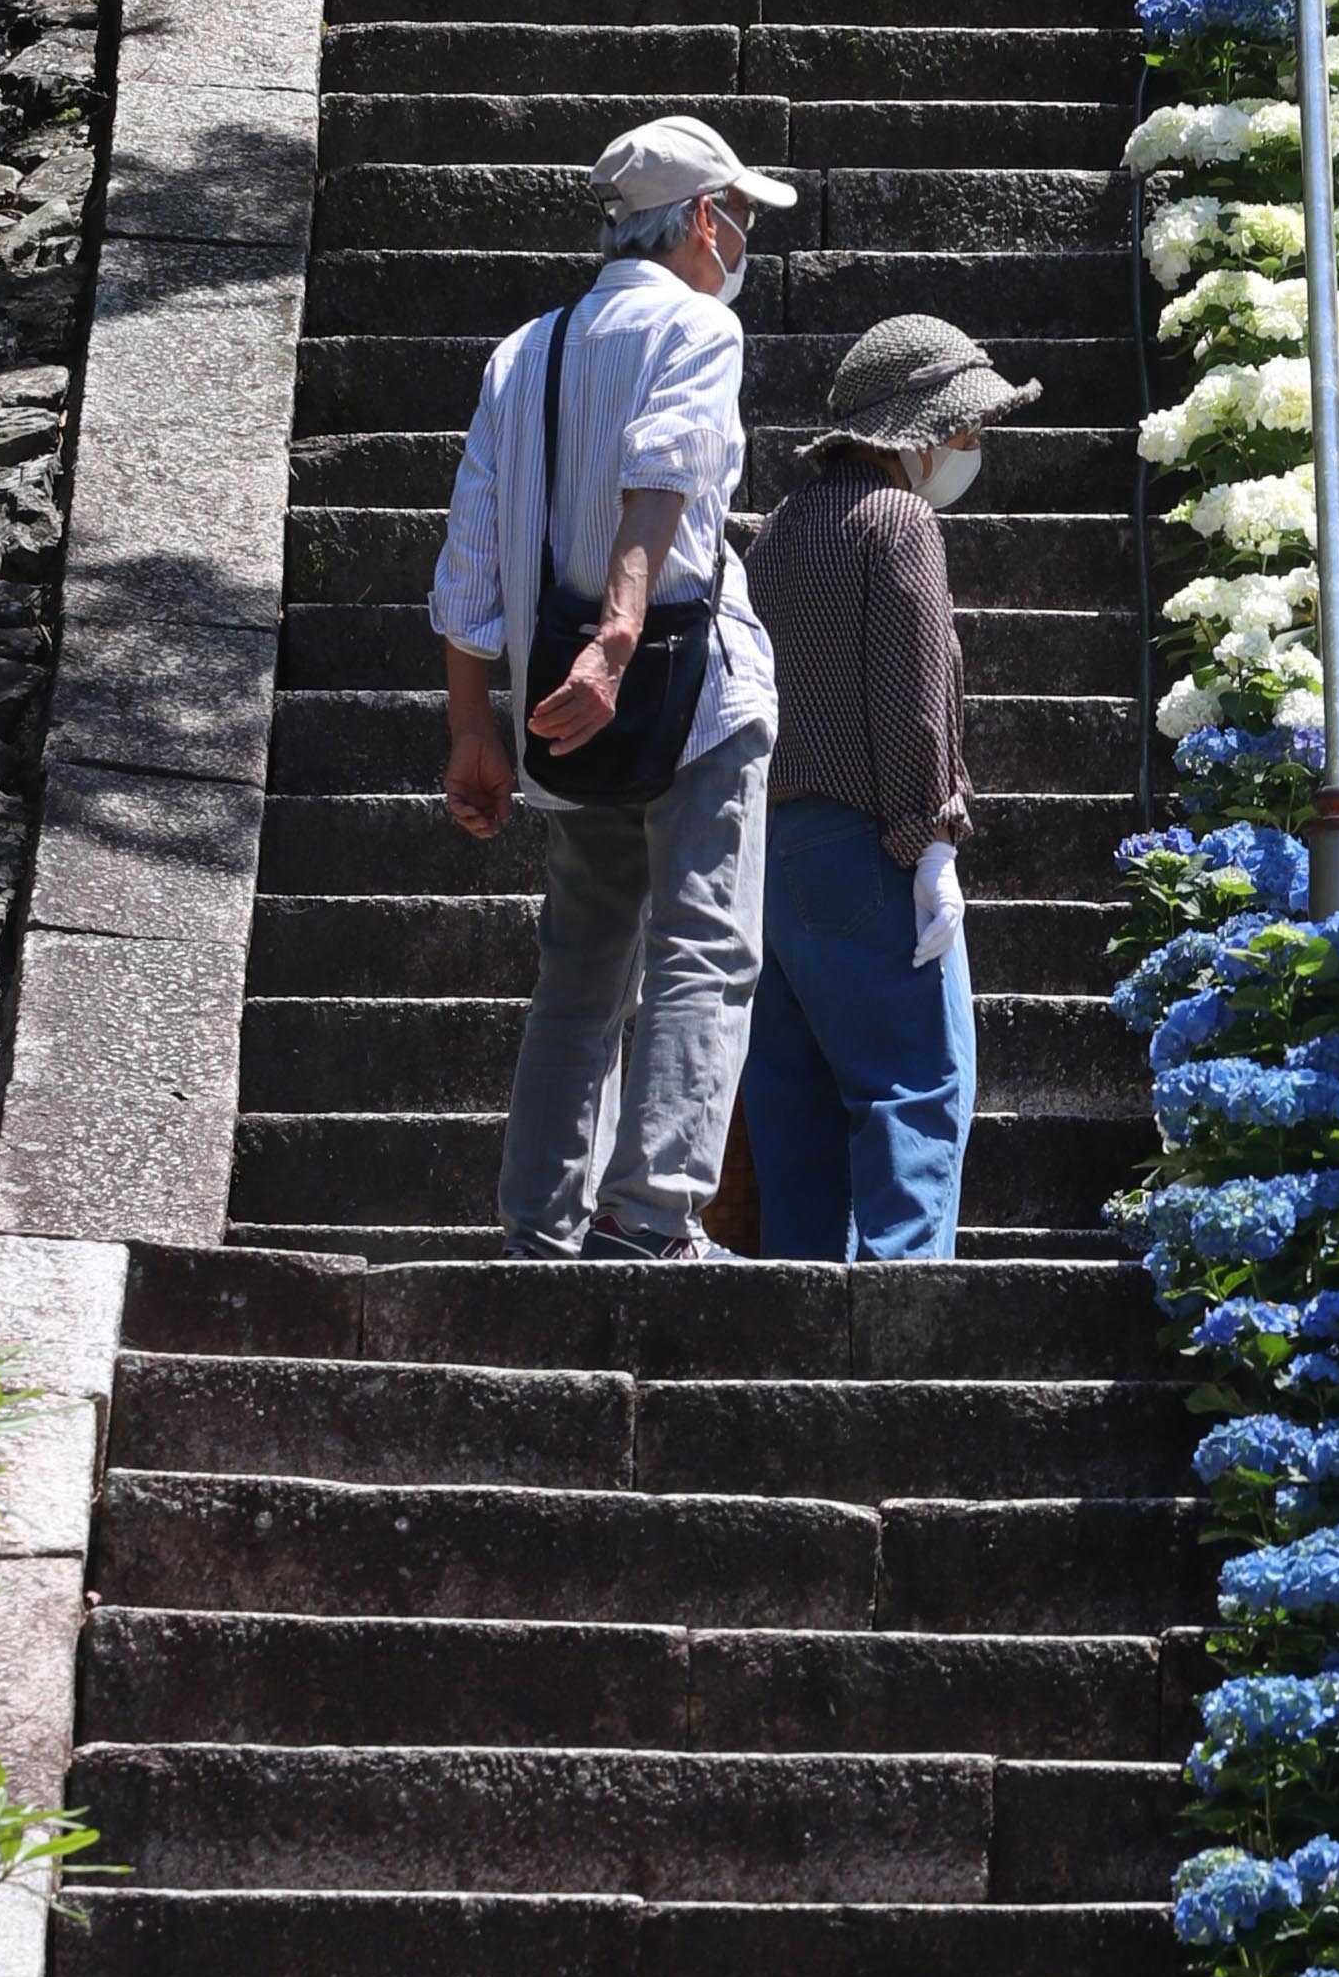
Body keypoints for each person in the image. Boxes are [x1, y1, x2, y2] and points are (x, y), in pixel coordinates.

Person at [431, 117, 794, 1260]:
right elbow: (666, 469)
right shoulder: (699, 326)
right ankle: (653, 1211)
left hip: (559, 710)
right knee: (704, 945)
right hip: (685, 686)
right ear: (700, 220)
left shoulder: (523, 349)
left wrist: (470, 728)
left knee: (582, 965)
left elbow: (472, 554)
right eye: (738, 217)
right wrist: (622, 635)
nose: (740, 241)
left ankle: (539, 1219)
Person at [741, 317, 1038, 1261]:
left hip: (772, 850)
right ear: (920, 433)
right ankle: (902, 1306)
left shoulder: (781, 529)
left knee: (791, 1100)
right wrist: (930, 840)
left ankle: (794, 1311)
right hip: (869, 843)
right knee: (916, 1083)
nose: (972, 448)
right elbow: (912, 698)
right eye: (966, 430)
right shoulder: (901, 522)